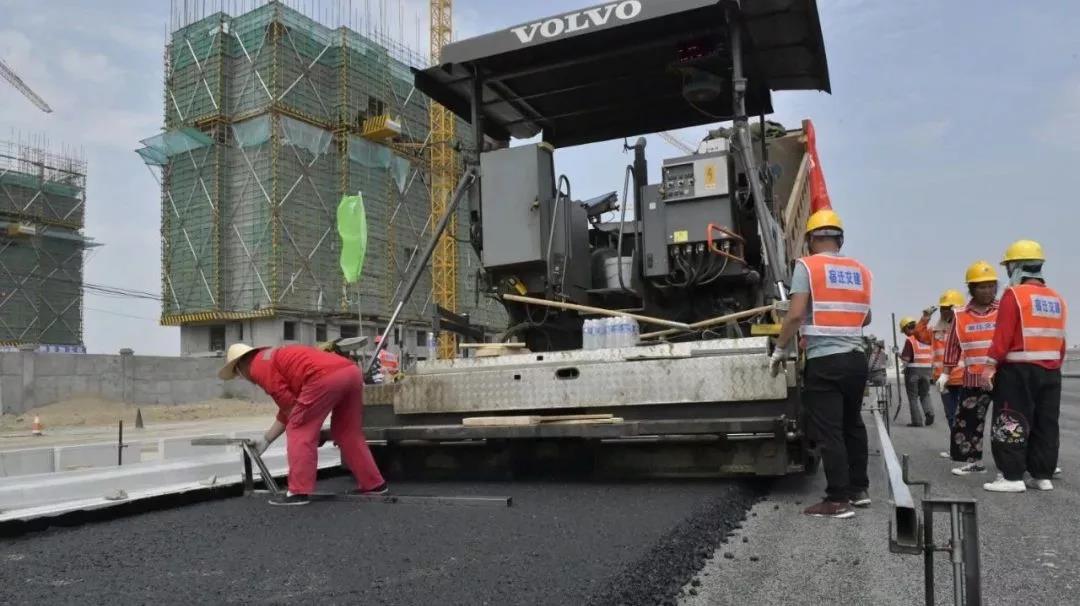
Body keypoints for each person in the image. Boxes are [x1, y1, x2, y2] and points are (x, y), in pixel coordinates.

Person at [771, 209, 872, 520]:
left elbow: (795, 314)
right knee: (853, 424)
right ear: (839, 239)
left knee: (830, 431)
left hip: (825, 362)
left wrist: (779, 348)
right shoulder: (860, 270)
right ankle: (859, 490)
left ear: (810, 239)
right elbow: (866, 317)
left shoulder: (807, 266)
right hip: (856, 359)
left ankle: (837, 500)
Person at [219, 343, 387, 506]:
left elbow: (291, 411)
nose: (242, 378)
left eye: (237, 374)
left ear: (240, 365)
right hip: (351, 372)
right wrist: (266, 440)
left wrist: (309, 431)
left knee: (299, 429)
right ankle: (374, 485)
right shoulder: (272, 358)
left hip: (324, 376)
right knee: (347, 431)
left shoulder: (258, 367)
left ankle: (298, 492)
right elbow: (288, 407)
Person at [982, 240, 1067, 493]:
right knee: (1045, 423)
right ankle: (1041, 475)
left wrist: (990, 365)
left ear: (1016, 266)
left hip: (1018, 369)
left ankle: (1012, 476)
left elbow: (1003, 335)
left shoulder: (1014, 295)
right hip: (1051, 370)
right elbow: (1061, 340)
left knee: (1011, 418)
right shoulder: (1056, 298)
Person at [943, 261, 999, 476]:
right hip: (974, 378)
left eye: (991, 286)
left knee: (1009, 423)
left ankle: (1015, 465)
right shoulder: (960, 315)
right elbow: (952, 345)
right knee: (968, 422)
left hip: (1003, 377)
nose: (988, 291)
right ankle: (973, 461)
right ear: (972, 289)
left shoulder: (1004, 310)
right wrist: (946, 373)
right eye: (982, 287)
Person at [916, 290, 966, 456]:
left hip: (963, 379)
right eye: (943, 308)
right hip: (943, 381)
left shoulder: (964, 327)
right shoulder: (936, 330)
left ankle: (965, 449)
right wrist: (925, 317)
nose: (945, 311)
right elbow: (920, 335)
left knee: (963, 416)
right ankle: (956, 448)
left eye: (949, 308)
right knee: (951, 415)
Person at [899, 316, 934, 427]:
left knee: (913, 397)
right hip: (927, 371)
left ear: (907, 328)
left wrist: (898, 355)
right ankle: (929, 412)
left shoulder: (910, 340)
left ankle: (917, 421)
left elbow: (906, 359)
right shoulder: (927, 338)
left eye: (904, 331)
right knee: (925, 394)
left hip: (913, 371)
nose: (905, 334)